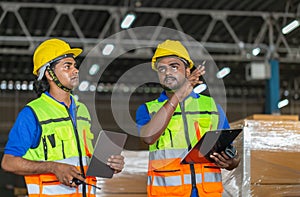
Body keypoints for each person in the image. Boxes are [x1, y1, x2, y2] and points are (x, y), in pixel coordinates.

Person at [1, 38, 125, 197]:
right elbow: (9, 162)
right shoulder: (33, 113)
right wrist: (54, 167)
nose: (75, 70)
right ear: (49, 74)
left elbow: (84, 158)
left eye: (75, 66)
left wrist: (110, 164)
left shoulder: (83, 110)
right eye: (67, 66)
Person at [136, 40, 240, 197]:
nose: (167, 72)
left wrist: (231, 162)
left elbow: (232, 153)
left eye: (174, 66)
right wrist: (178, 95)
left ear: (187, 71)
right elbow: (148, 137)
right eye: (161, 69)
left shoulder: (211, 107)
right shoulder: (148, 110)